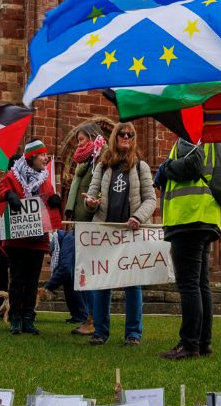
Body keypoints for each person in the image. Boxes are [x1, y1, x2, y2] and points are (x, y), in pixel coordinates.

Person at [83, 122, 157, 346]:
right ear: (114, 137)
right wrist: (91, 203)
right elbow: (91, 199)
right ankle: (100, 332)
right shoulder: (102, 165)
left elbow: (151, 200)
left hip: (130, 232)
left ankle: (133, 334)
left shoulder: (141, 166)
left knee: (133, 284)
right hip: (106, 231)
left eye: (130, 134)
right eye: (122, 134)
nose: (126, 137)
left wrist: (138, 218)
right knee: (102, 283)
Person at [156, 139, 221, 360]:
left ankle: (189, 345)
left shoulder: (192, 131)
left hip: (188, 217)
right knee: (201, 284)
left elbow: (192, 165)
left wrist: (165, 168)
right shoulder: (212, 133)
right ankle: (203, 342)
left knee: (189, 285)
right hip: (204, 216)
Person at [0, 141, 63, 335]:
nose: (46, 158)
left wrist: (55, 201)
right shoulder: (12, 177)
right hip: (17, 239)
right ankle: (15, 318)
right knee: (16, 280)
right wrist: (9, 195)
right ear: (32, 157)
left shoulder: (45, 180)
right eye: (42, 155)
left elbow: (49, 200)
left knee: (32, 282)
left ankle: (28, 318)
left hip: (38, 240)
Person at [63, 122, 107, 336]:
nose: (79, 145)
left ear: (93, 137)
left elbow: (102, 187)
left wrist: (95, 202)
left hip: (93, 222)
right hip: (81, 222)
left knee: (89, 272)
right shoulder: (88, 160)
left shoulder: (101, 156)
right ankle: (89, 318)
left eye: (82, 140)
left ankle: (93, 320)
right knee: (82, 271)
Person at [43, 228, 86, 324]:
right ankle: (78, 316)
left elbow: (65, 268)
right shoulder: (67, 238)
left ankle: (81, 316)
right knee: (69, 282)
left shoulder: (68, 238)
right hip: (79, 270)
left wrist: (49, 286)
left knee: (71, 282)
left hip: (78, 273)